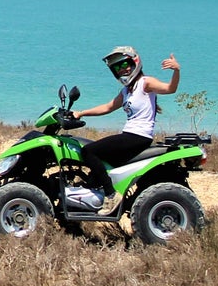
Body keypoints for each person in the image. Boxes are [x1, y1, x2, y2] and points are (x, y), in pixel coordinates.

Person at [72, 46, 181, 199]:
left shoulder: (145, 83)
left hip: (138, 136)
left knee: (88, 151)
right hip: (130, 135)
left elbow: (170, 88)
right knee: (102, 161)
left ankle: (110, 193)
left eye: (124, 65)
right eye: (117, 67)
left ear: (134, 62)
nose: (122, 70)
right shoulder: (126, 91)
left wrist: (176, 70)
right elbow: (108, 107)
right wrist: (81, 113)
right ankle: (93, 188)